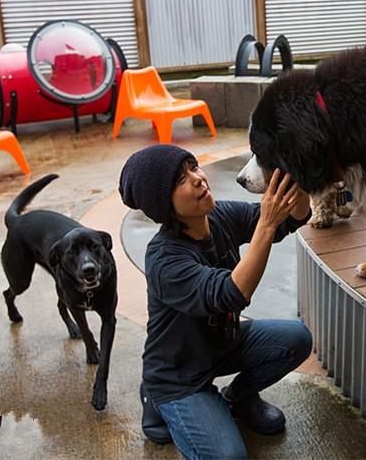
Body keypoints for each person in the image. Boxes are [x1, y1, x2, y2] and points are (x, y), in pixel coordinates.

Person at [118, 145, 313, 459]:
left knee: (297, 339)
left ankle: (238, 397)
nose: (197, 178)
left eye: (194, 167)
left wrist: (300, 184)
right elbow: (231, 294)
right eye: (181, 179)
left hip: (223, 344)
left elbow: (290, 220)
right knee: (229, 456)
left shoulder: (218, 215)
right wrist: (265, 224)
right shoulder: (164, 258)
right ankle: (158, 402)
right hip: (179, 376)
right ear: (162, 204)